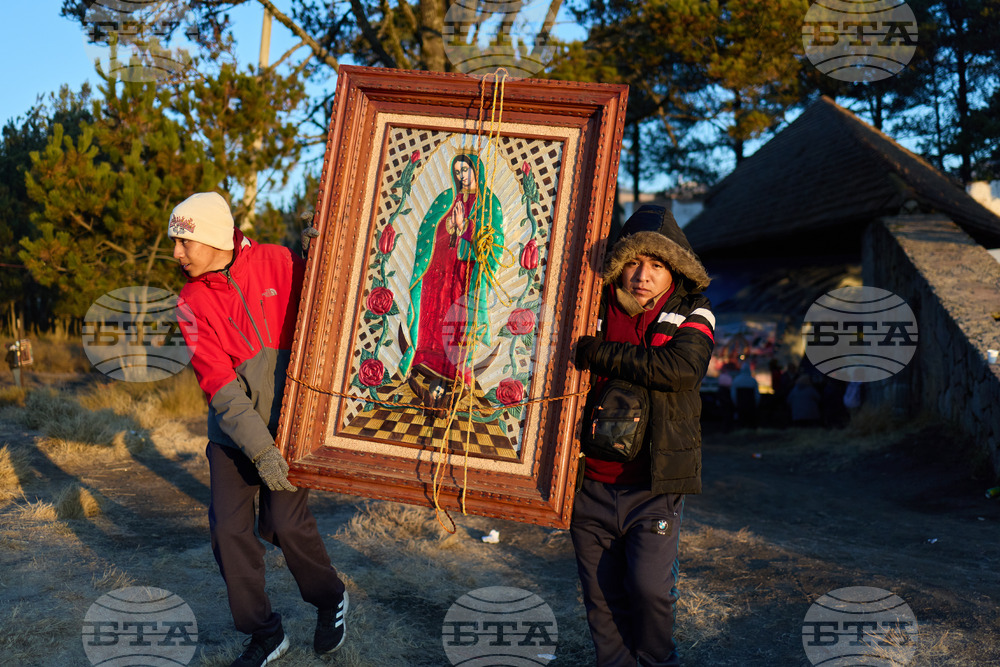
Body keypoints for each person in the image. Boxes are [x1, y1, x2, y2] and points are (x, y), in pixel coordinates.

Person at [169, 192, 348, 667]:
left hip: (290, 425)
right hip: (232, 436)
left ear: (211, 237)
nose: (176, 254)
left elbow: (333, 294)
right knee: (229, 533)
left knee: (285, 524)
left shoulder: (278, 261)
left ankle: (330, 598)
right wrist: (261, 452)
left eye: (183, 242)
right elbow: (221, 387)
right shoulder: (190, 301)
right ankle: (266, 634)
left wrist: (325, 244)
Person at [573, 204, 715, 667]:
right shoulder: (587, 306)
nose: (642, 274)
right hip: (588, 480)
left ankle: (657, 662)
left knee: (650, 589)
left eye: (656, 264)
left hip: (652, 484)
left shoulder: (694, 310)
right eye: (634, 261)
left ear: (673, 268)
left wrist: (597, 353)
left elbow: (680, 369)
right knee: (601, 596)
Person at [399, 153, 504, 403]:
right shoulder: (447, 198)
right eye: (457, 171)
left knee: (458, 319)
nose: (461, 176)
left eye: (465, 170)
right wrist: (448, 227)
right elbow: (427, 230)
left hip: (466, 273)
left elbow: (494, 243)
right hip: (439, 270)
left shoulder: (490, 203)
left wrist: (465, 227)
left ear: (476, 170)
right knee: (433, 315)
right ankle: (425, 357)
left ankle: (457, 367)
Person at [730, 362, 760, 428]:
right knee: (751, 425)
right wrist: (756, 405)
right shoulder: (753, 381)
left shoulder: (736, 380)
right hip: (751, 406)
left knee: (741, 424)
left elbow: (733, 395)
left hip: (740, 406)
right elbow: (757, 395)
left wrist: (736, 404)